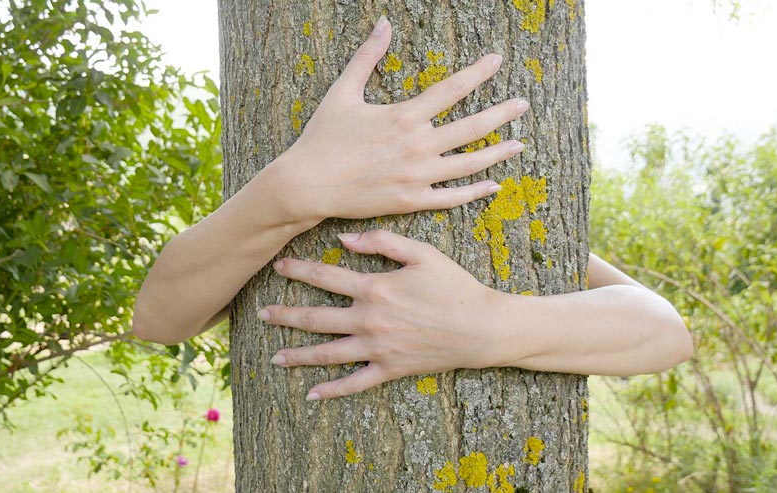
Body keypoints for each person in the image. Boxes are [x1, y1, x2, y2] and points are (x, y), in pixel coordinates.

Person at [132, 16, 693, 402]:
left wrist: (479, 327)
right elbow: (160, 319)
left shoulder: (503, 206)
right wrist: (296, 188)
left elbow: (664, 333)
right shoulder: (286, 192)